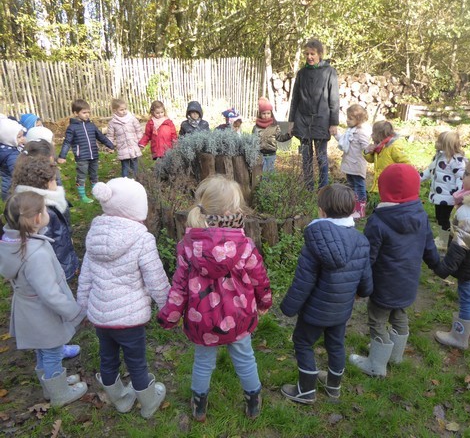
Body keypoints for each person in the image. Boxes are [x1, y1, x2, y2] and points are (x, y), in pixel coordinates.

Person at [157, 175, 272, 421]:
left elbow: (179, 287)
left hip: (203, 320)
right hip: (239, 316)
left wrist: (169, 316)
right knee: (245, 358)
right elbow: (259, 278)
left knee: (202, 362)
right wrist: (264, 302)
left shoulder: (188, 245)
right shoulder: (244, 245)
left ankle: (199, 406)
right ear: (230, 212)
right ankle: (253, 402)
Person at [77, 177, 171, 418]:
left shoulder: (94, 235)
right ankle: (149, 403)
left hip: (101, 317)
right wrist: (168, 307)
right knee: (137, 363)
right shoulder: (142, 238)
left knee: (107, 359)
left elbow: (85, 276)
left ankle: (120, 399)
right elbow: (156, 278)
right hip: (130, 319)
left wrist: (82, 307)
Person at [280, 184, 372, 404]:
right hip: (341, 309)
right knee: (336, 344)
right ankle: (333, 386)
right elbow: (365, 277)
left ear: (321, 211)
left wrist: (288, 307)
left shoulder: (315, 241)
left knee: (303, 342)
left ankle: (306, 390)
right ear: (352, 210)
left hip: (315, 311)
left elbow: (303, 281)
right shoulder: (361, 241)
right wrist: (363, 292)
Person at [349, 164, 439, 377]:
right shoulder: (421, 215)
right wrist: (439, 266)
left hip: (383, 285)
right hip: (408, 282)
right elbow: (429, 247)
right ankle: (395, 355)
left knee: (377, 320)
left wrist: (359, 286)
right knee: (399, 314)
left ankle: (376, 364)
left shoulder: (378, 220)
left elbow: (368, 258)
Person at [0, 191, 87, 406]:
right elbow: (50, 294)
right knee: (52, 352)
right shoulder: (35, 255)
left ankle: (51, 386)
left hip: (28, 310)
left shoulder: (15, 243)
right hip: (42, 314)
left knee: (43, 350)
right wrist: (74, 311)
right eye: (45, 210)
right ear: (38, 218)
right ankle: (60, 394)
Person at [433, 159, 470, 350]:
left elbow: (459, 248)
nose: (463, 176)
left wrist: (443, 268)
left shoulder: (469, 213)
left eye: (467, 174)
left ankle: (459, 337)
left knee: (467, 298)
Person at [12, 156, 79, 282]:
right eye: (54, 180)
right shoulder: (42, 211)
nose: (57, 183)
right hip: (56, 267)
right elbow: (45, 245)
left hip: (61, 255)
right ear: (44, 183)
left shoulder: (37, 203)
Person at [288, 38, 339, 191]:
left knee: (321, 156)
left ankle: (323, 188)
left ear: (320, 54)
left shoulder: (329, 72)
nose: (309, 57)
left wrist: (334, 123)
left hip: (321, 120)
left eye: (313, 54)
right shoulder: (301, 73)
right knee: (306, 157)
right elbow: (295, 98)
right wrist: (291, 121)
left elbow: (334, 98)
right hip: (302, 120)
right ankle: (308, 187)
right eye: (307, 54)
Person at [57, 99, 114, 203]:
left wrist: (110, 145)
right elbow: (67, 142)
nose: (87, 114)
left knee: (94, 175)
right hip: (82, 156)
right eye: (84, 112)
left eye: (88, 112)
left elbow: (100, 137)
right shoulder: (72, 128)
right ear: (76, 113)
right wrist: (62, 156)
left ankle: (96, 193)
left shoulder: (91, 125)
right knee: (81, 176)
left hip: (94, 155)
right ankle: (83, 196)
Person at [420, 131, 466, 251]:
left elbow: (460, 178)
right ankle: (442, 237)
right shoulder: (439, 157)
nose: (436, 143)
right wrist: (417, 178)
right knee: (439, 217)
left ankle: (444, 241)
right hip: (438, 195)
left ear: (447, 144)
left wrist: (458, 194)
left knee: (444, 218)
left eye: (439, 141)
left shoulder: (456, 161)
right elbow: (430, 171)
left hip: (449, 197)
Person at [334, 104, 371, 218]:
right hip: (349, 164)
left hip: (357, 165)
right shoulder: (350, 131)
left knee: (359, 186)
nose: (347, 120)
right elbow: (343, 141)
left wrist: (370, 149)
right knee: (351, 186)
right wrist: (336, 134)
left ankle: (360, 210)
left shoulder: (361, 132)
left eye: (350, 118)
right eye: (347, 117)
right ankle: (351, 207)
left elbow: (365, 147)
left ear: (358, 120)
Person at [363, 120, 410, 194]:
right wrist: (367, 151)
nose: (371, 135)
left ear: (379, 135)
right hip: (379, 184)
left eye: (373, 133)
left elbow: (406, 163)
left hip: (390, 184)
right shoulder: (379, 146)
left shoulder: (393, 147)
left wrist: (398, 176)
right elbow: (371, 160)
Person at [106, 98, 143, 178]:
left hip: (133, 145)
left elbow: (138, 130)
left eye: (125, 109)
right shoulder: (113, 123)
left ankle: (135, 180)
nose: (124, 111)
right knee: (125, 167)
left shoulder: (132, 119)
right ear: (115, 110)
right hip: (123, 147)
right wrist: (109, 146)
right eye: (121, 110)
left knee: (134, 165)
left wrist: (141, 142)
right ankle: (124, 181)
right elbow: (110, 136)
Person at [252, 97, 291, 173]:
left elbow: (280, 138)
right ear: (260, 114)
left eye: (268, 113)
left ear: (271, 114)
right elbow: (252, 140)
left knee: (270, 172)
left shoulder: (275, 127)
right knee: (262, 172)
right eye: (263, 113)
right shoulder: (256, 127)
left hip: (271, 154)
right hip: (260, 154)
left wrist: (288, 135)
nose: (266, 115)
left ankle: (270, 181)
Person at [0, 117, 25, 200]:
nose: (22, 138)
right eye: (19, 137)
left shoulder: (6, 147)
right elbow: (17, 173)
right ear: (9, 138)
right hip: (12, 187)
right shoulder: (12, 155)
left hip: (8, 183)